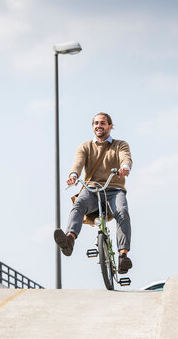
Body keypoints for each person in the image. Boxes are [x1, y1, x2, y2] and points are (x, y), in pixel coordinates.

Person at [54, 112, 133, 274]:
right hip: (91, 189)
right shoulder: (85, 146)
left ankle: (123, 255)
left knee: (122, 212)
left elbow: (126, 157)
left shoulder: (120, 145)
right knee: (78, 204)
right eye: (96, 123)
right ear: (92, 126)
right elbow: (78, 162)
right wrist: (73, 176)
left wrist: (125, 168)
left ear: (110, 126)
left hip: (115, 189)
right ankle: (69, 240)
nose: (99, 126)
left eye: (103, 123)